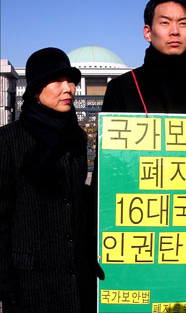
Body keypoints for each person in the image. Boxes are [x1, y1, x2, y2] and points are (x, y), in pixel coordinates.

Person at [0, 47, 102, 313]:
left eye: (70, 81)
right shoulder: (8, 140)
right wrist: (6, 283)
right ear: (36, 90)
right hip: (29, 284)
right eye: (57, 81)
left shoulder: (77, 138)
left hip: (76, 281)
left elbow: (77, 202)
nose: (68, 88)